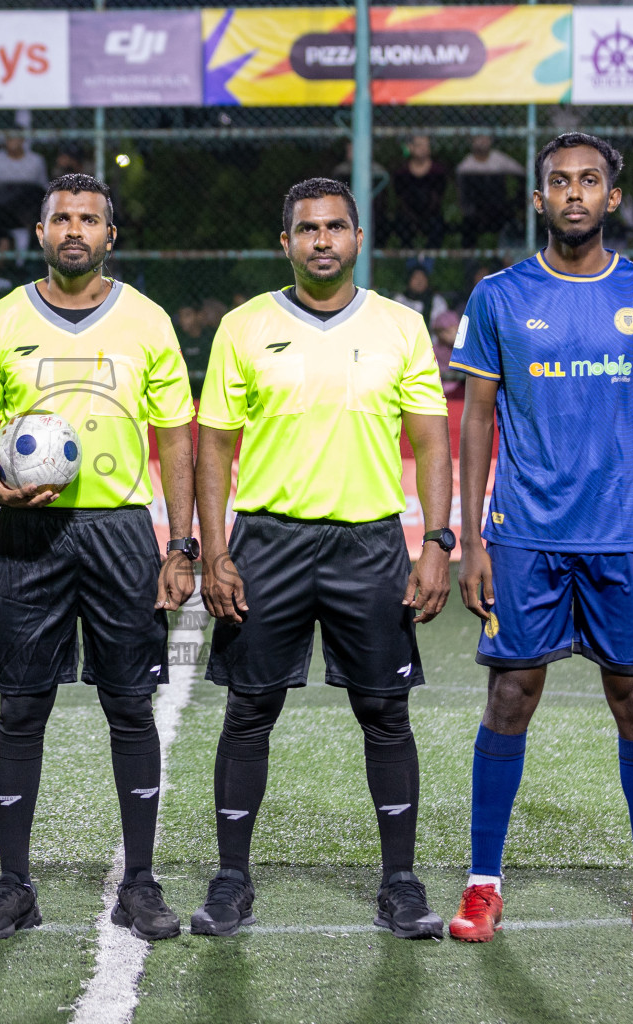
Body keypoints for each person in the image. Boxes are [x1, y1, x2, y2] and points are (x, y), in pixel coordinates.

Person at [447, 132, 633, 947]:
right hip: (524, 534)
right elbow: (477, 418)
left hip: (624, 535)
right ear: (538, 199)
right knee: (511, 696)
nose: (573, 193)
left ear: (612, 198)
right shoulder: (497, 296)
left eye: (589, 180)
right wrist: (472, 539)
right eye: (558, 181)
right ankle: (484, 883)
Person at [190, 176, 452, 941]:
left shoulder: (401, 327)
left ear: (357, 239)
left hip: (368, 542)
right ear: (286, 243)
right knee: (248, 711)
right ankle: (232, 880)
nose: (322, 240)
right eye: (307, 229)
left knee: (384, 713)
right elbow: (214, 445)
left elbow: (431, 439)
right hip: (266, 542)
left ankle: (400, 883)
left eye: (336, 227)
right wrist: (215, 552)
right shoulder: (243, 326)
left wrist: (437, 540)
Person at [0, 173, 196, 942]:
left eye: (89, 219)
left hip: (123, 530)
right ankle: (13, 883)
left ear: (109, 237)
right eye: (61, 217)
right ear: (40, 231)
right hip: (28, 534)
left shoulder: (149, 322)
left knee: (130, 705)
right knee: (23, 708)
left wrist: (181, 545)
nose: (74, 230)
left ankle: (143, 883)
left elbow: (178, 438)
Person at [455, 134, 526, 246]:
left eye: (486, 138)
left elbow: (523, 174)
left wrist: (515, 201)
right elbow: (463, 195)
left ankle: (508, 257)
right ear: (472, 141)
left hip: (499, 209)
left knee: (515, 225)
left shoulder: (499, 160)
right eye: (479, 137)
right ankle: (471, 261)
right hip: (476, 212)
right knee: (467, 227)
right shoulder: (466, 166)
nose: (483, 141)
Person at [0, 135, 49, 249]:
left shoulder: (36, 160)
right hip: (1, 204)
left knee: (36, 202)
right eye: (9, 137)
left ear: (22, 140)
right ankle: (0, 249)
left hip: (28, 205)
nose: (12, 141)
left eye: (16, 137)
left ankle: (31, 255)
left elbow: (43, 186)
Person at [392, 135, 447, 248]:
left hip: (432, 213)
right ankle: (410, 260)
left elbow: (438, 198)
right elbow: (400, 198)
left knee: (437, 225)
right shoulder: (402, 172)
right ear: (410, 147)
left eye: (426, 145)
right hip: (408, 213)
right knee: (402, 223)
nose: (423, 148)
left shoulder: (438, 171)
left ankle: (428, 261)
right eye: (419, 145)